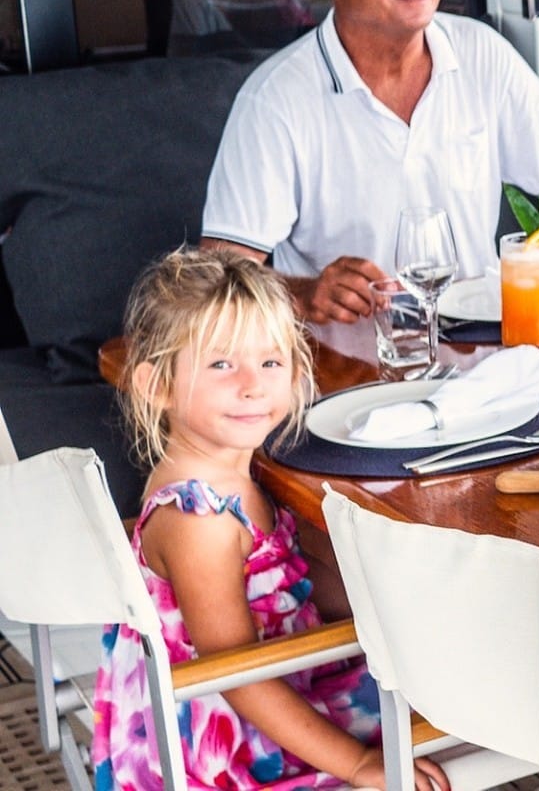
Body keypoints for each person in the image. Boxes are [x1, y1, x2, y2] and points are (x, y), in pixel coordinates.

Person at [92, 249, 445, 790]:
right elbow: (235, 675)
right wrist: (357, 765)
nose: (252, 384)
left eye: (271, 362)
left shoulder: (232, 474)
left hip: (280, 685)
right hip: (232, 751)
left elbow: (285, 591)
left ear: (296, 371)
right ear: (156, 385)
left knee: (445, 662)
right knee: (489, 705)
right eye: (220, 364)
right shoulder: (198, 520)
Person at [201, 0, 539, 323]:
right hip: (343, 358)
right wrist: (303, 294)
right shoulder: (275, 100)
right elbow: (217, 273)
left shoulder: (482, 53)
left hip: (481, 345)